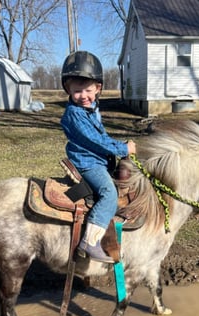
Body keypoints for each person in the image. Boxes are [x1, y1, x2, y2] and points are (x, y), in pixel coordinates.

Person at [60, 51, 136, 264]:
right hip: (88, 163)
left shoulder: (90, 109)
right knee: (109, 193)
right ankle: (89, 242)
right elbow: (96, 141)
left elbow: (101, 136)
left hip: (98, 160)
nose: (83, 95)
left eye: (88, 90)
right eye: (77, 91)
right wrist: (123, 148)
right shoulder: (75, 114)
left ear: (98, 88)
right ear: (68, 90)